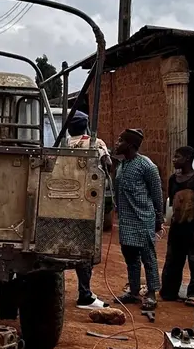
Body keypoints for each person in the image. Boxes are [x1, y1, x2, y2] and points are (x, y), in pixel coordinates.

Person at [112, 129, 164, 311]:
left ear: (131, 145)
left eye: (120, 140)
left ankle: (151, 293)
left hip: (143, 219)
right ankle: (133, 291)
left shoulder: (147, 166)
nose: (117, 143)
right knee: (130, 257)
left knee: (148, 257)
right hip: (126, 220)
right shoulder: (122, 165)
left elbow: (157, 194)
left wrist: (159, 218)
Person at [65, 111, 112, 309]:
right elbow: (108, 165)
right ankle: (85, 295)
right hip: (88, 202)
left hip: (65, 201)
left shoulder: (64, 144)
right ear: (85, 126)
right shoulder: (95, 143)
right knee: (86, 248)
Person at [161, 146, 194, 306]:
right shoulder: (173, 179)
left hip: (193, 227)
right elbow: (172, 201)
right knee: (173, 260)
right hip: (177, 227)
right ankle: (169, 292)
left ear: (188, 158)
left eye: (177, 157)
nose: (174, 160)